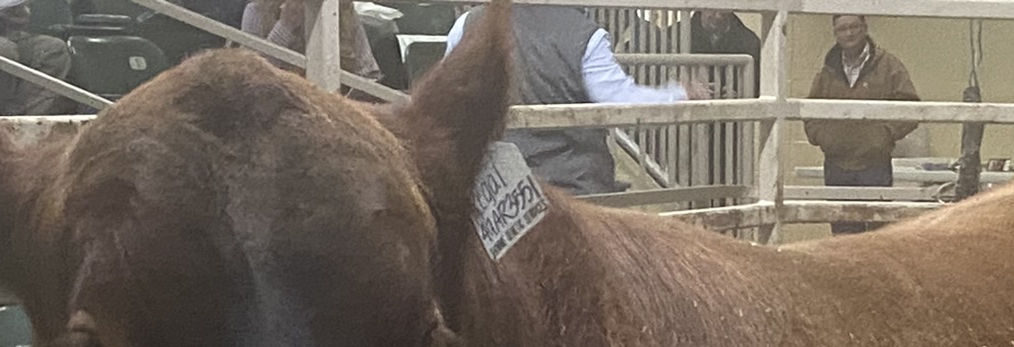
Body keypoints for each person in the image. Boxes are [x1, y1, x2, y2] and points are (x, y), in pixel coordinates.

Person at [446, 3, 710, 198]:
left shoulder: (467, 27)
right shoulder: (584, 35)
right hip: (575, 190)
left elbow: (448, 105)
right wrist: (679, 94)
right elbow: (623, 103)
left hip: (496, 189)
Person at [804, 13, 917, 235]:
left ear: (864, 28)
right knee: (842, 233)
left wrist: (883, 135)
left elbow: (910, 108)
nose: (849, 33)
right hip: (836, 165)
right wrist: (822, 137)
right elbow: (810, 111)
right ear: (835, 34)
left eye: (854, 27)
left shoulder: (889, 66)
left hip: (875, 165)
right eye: (842, 29)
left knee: (878, 233)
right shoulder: (827, 71)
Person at [241, 0, 389, 90]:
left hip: (337, 108)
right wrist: (285, 26)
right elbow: (249, 76)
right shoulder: (255, 12)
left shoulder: (344, 14)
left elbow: (368, 72)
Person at [688, 8, 758, 94]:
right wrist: (684, 91)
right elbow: (667, 86)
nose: (718, 16)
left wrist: (740, 95)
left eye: (724, 9)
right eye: (713, 7)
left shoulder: (750, 42)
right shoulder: (671, 37)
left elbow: (759, 89)